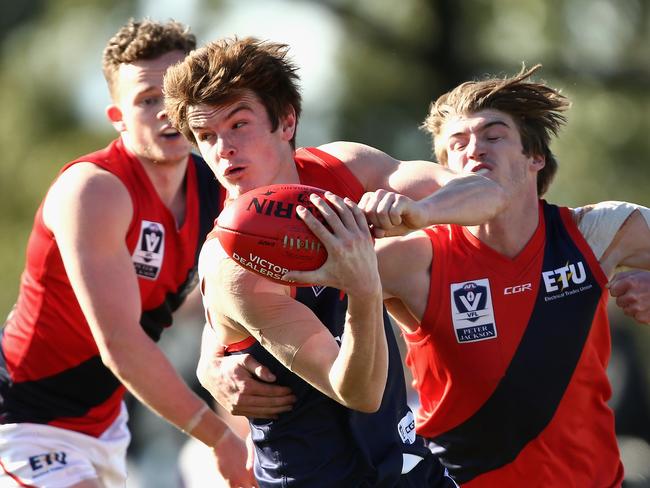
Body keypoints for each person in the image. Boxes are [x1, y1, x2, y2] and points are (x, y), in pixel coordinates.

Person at [162, 36, 507, 487]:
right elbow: (358, 392)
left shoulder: (343, 169)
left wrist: (422, 212)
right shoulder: (234, 263)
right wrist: (363, 285)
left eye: (239, 124)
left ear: (286, 122)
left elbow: (489, 196)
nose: (222, 148)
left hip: (406, 464)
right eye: (206, 137)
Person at [360, 64, 650, 486]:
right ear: (443, 171)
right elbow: (281, 289)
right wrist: (227, 359)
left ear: (535, 157)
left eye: (494, 136)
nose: (474, 150)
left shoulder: (595, 232)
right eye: (457, 145)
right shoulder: (416, 259)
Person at [0, 19, 255, 488]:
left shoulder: (217, 187)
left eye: (175, 95)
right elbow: (120, 342)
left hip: (107, 424)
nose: (165, 111)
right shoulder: (93, 191)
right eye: (147, 99)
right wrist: (220, 437)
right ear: (117, 116)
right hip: (24, 418)